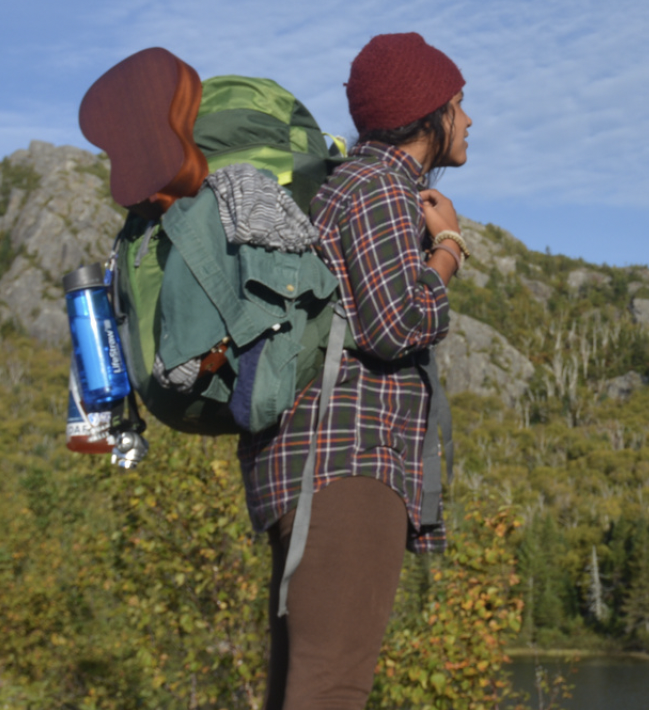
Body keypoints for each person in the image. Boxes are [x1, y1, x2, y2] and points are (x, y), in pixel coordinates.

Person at [237, 32, 472, 710]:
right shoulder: (375, 186)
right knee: (333, 686)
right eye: (459, 103)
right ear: (427, 114)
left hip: (320, 467)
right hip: (348, 465)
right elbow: (396, 324)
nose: (470, 120)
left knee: (307, 685)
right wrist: (449, 248)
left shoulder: (355, 188)